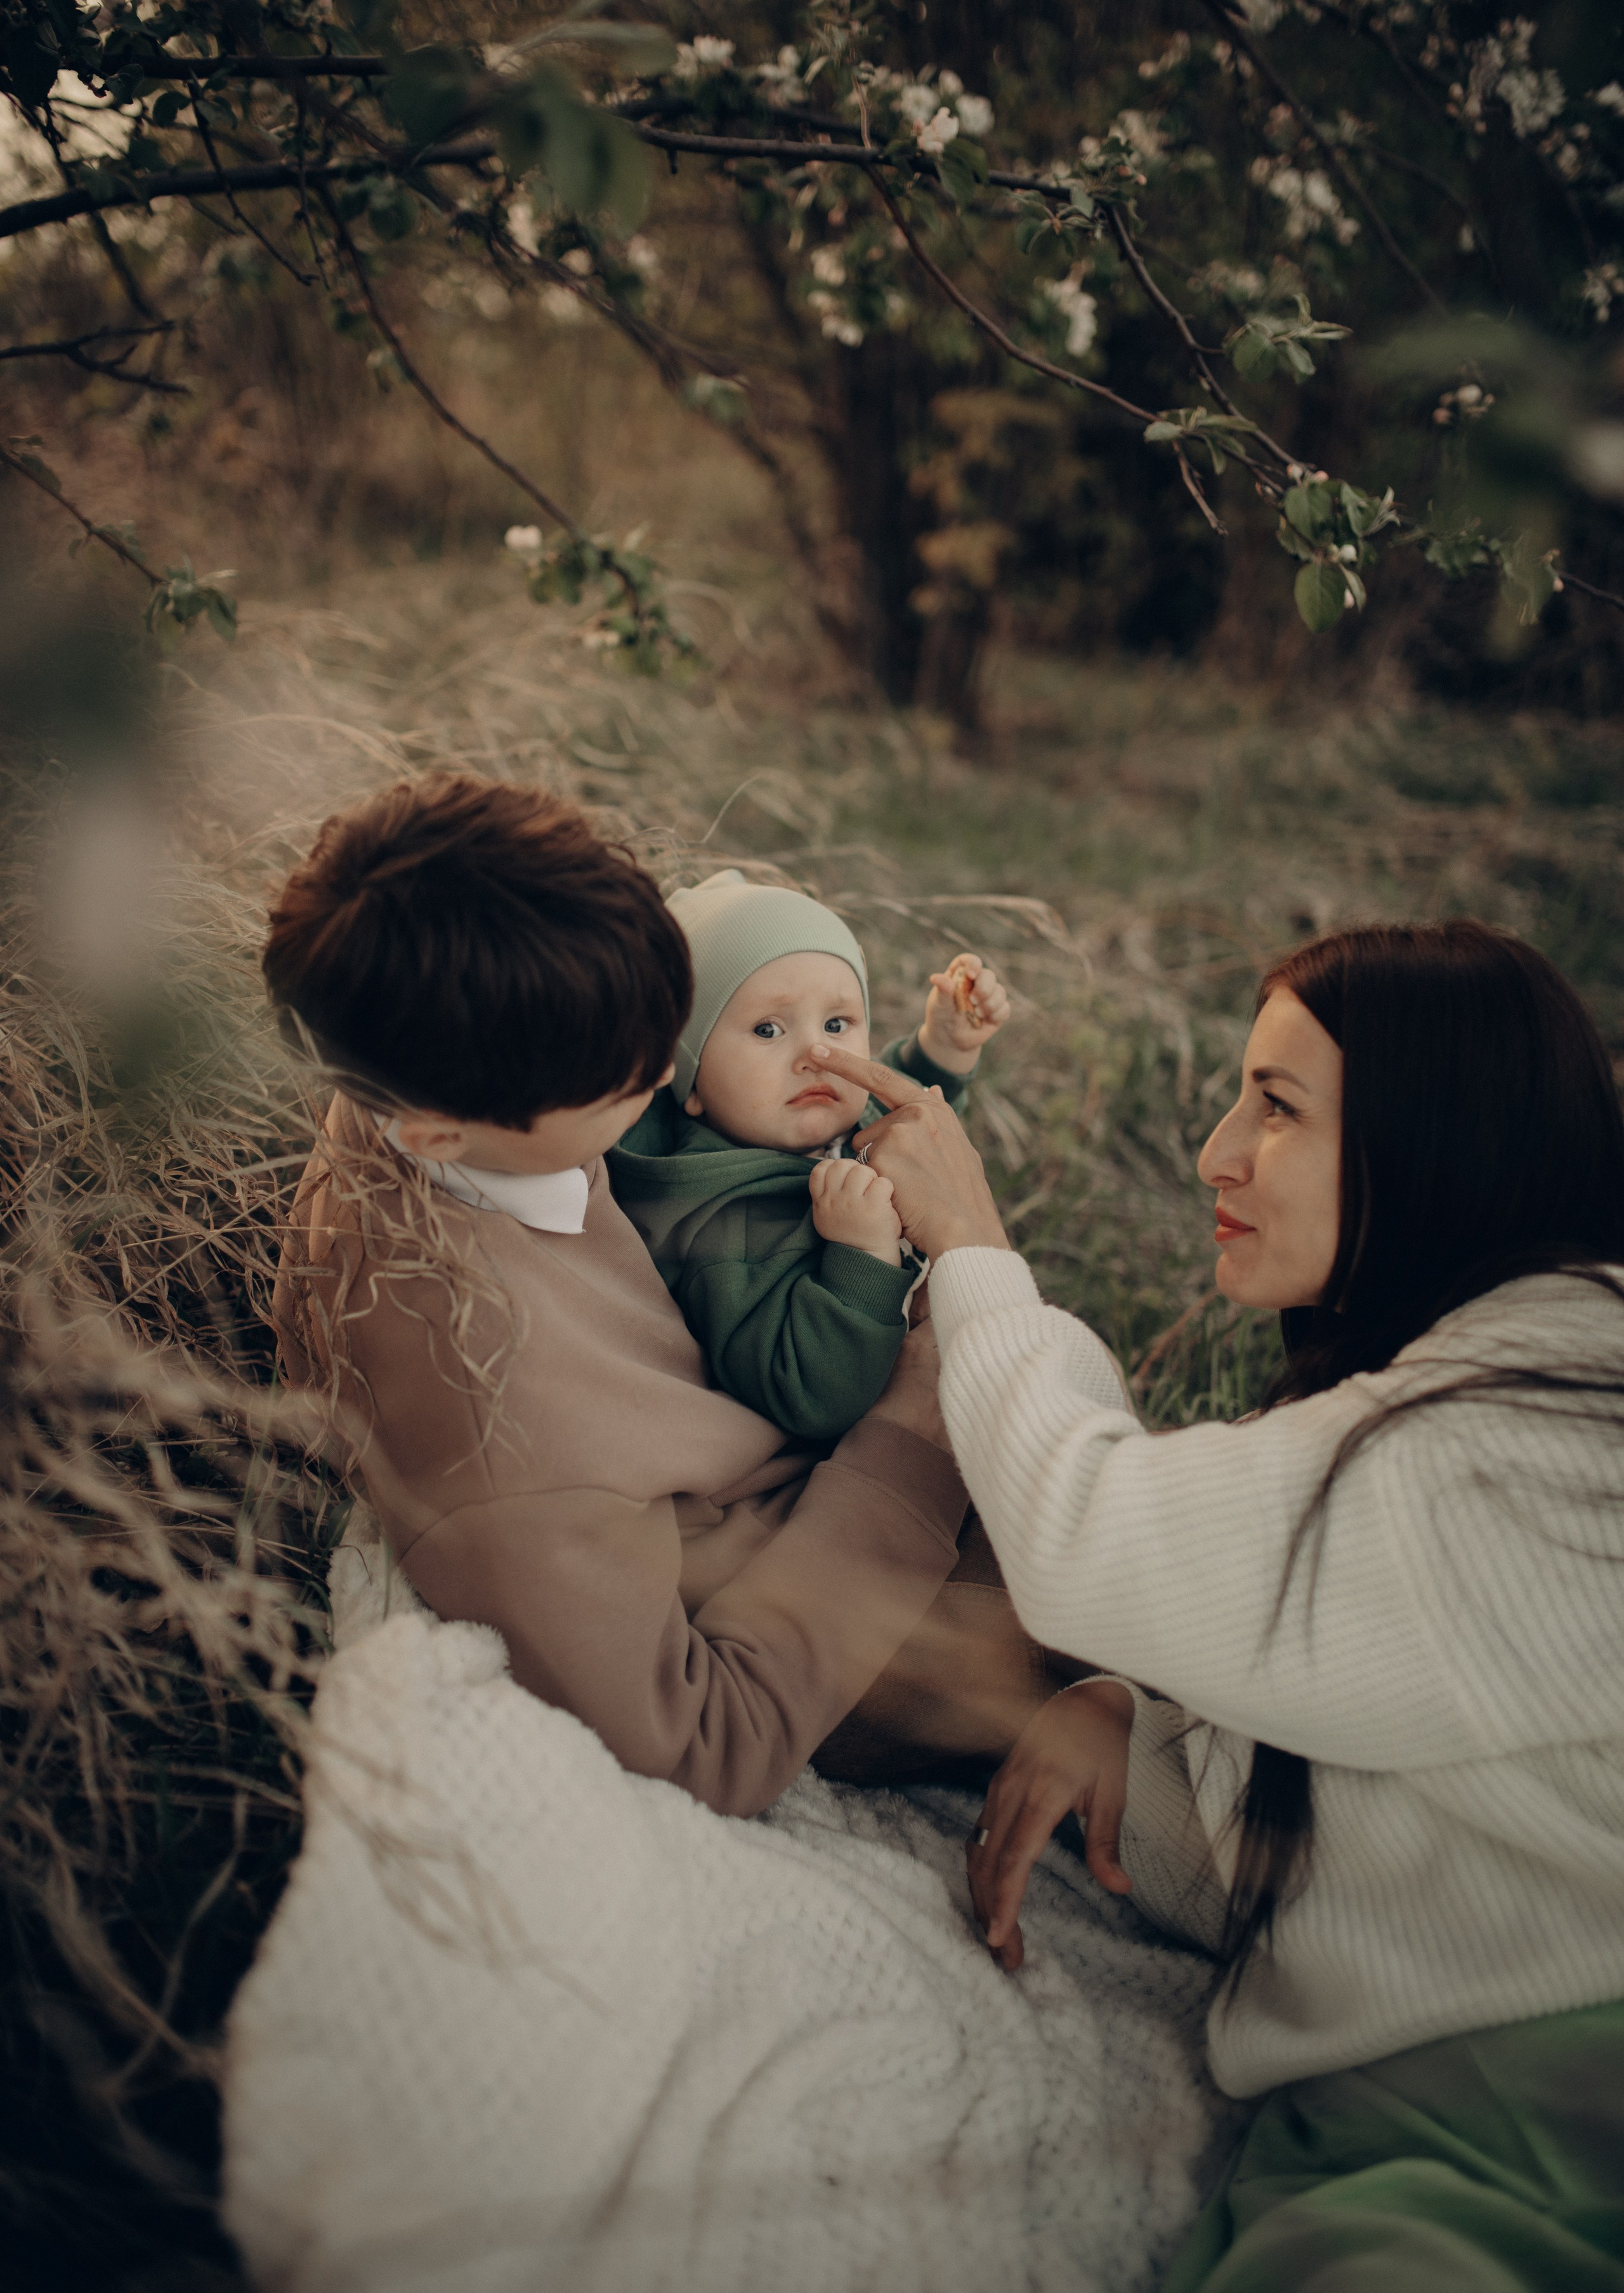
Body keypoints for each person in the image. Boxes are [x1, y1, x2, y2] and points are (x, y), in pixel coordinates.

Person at [814, 920, 1624, 2292]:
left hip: (1552, 2122)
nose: (1215, 1154)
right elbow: (1377, 1806)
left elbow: (1084, 1533)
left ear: (1433, 1139)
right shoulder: (1471, 1394)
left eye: (1278, 1107)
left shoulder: (1538, 1438)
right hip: (1389, 2129)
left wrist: (969, 1245)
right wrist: (1133, 1734)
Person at [263, 773, 1054, 1821]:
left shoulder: (449, 1057)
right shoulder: (502, 1429)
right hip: (874, 1602)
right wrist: (927, 1409)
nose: (666, 1069)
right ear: (437, 1133)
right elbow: (704, 1744)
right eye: (619, 1071)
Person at [610, 867, 1009, 1438]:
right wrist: (862, 1253)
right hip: (881, 1430)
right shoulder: (722, 1225)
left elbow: (907, 1133)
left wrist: (941, 1049)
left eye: (837, 1023)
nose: (816, 1054)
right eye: (768, 1030)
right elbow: (809, 1394)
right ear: (690, 1081)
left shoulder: (815, 1120)